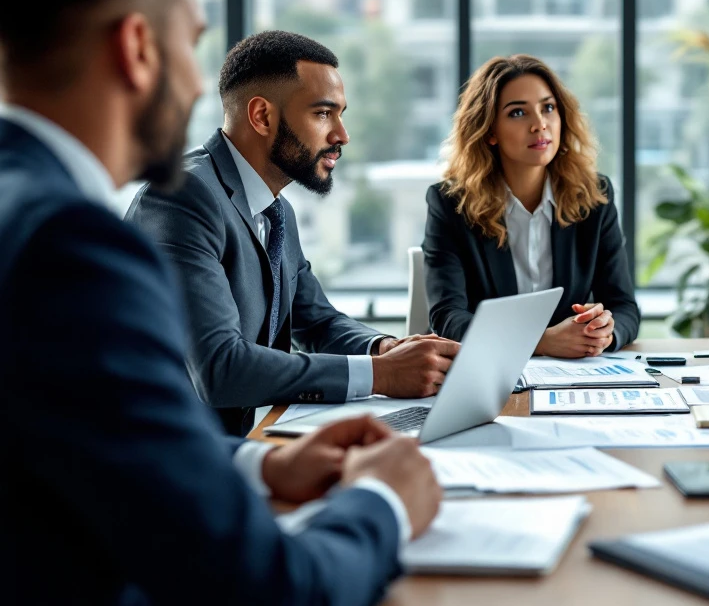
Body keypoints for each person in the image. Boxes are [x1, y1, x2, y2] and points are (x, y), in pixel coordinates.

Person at [0, 0, 441, 606]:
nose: (198, 83)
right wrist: (383, 501)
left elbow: (84, 440)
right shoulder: (71, 246)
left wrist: (259, 468)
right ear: (138, 48)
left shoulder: (24, 211)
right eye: (191, 43)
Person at [127, 31, 460, 436]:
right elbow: (220, 367)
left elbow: (316, 322)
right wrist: (380, 375)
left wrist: (385, 349)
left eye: (341, 114)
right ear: (262, 116)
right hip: (168, 460)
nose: (342, 135)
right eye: (323, 114)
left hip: (247, 442)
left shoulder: (276, 207)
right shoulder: (182, 198)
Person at [422, 54, 640, 358]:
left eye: (548, 108)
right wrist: (541, 341)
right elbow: (449, 318)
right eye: (517, 113)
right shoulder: (451, 204)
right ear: (490, 131)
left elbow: (624, 306)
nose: (540, 124)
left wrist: (605, 332)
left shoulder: (594, 196)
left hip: (575, 377)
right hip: (491, 376)